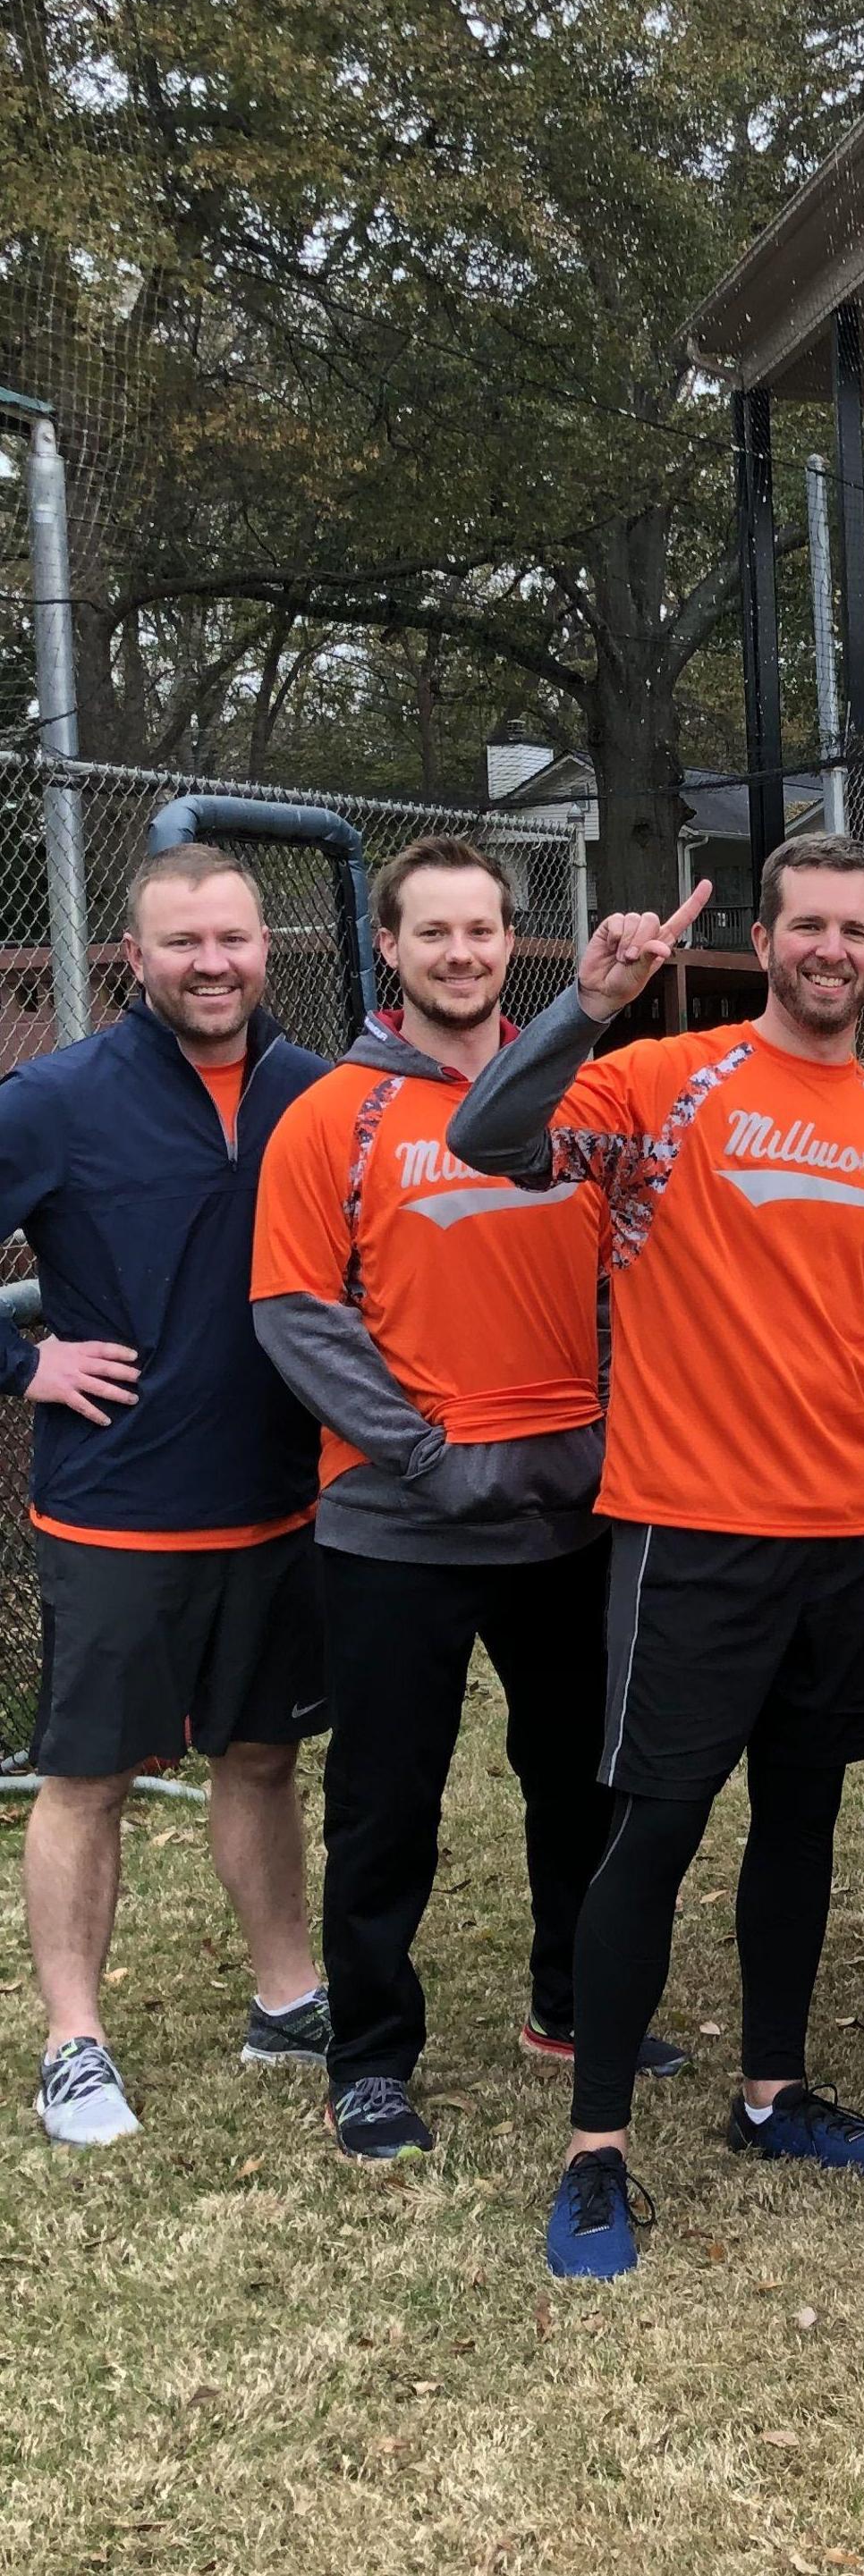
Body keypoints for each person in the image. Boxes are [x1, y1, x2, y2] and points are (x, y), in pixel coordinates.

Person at [446, 836, 864, 2280]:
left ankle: (772, 2091)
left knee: (803, 1814)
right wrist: (586, 1005)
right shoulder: (661, 1083)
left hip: (843, 1538)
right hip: (690, 1529)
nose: (832, 948)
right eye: (809, 924)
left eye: (856, 928)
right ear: (765, 934)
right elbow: (486, 1136)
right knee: (655, 1827)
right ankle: (596, 2149)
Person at [250, 836, 685, 2163]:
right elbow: (295, 1314)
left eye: (482, 930)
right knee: (387, 1802)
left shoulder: (577, 1103)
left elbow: (635, 1280)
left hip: (566, 1516)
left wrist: (606, 1433)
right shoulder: (332, 1112)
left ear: (512, 945)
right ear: (387, 946)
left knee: (579, 1782)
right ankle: (373, 2060)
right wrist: (427, 1456)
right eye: (432, 931)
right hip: (399, 1522)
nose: (460, 952)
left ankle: (571, 2003)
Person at [0, 842, 331, 2146]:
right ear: (132, 958)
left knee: (262, 1757)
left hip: (280, 1504)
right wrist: (25, 1363)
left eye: (232, 939)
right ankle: (73, 2045)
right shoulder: (58, 1097)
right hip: (115, 1511)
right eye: (183, 943)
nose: (212, 964)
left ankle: (288, 2000)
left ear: (267, 950)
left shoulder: (317, 1092)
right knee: (87, 1776)